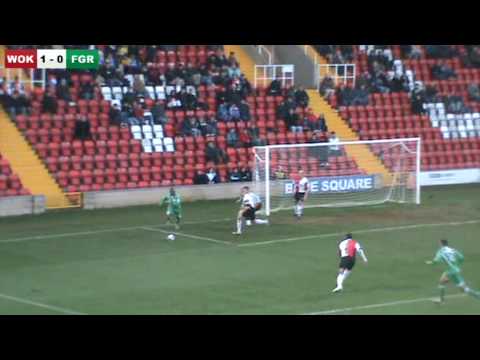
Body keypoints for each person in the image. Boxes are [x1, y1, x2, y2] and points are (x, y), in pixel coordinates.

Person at [425, 239, 480, 304]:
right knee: (463, 289)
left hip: (449, 271)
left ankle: (441, 300)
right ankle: (477, 295)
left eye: (439, 243)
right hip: (456, 270)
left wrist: (430, 262)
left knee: (442, 282)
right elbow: (461, 257)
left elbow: (436, 260)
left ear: (441, 244)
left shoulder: (440, 251)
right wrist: (457, 265)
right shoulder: (452, 250)